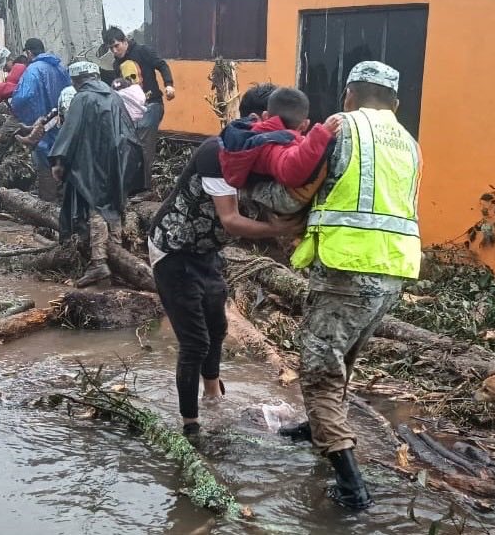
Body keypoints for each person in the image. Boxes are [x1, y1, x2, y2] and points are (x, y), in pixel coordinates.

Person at [280, 61, 422, 512]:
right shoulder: (411, 143)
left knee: (320, 370)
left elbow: (298, 181)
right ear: (395, 104)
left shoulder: (342, 128)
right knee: (345, 356)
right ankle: (316, 426)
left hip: (347, 265)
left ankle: (351, 485)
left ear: (348, 95)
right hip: (395, 270)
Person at [148, 85, 302, 437]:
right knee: (195, 342)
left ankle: (213, 395)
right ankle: (191, 427)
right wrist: (279, 228)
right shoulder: (217, 153)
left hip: (206, 250)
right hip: (173, 247)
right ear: (258, 120)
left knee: (217, 326)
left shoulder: (265, 157)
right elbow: (231, 220)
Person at [49, 61, 144, 287]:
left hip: (93, 162)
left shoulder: (82, 98)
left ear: (76, 80)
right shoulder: (114, 96)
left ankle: (99, 262)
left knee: (97, 206)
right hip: (118, 159)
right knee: (114, 204)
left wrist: (59, 161)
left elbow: (70, 131)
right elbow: (129, 131)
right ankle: (118, 259)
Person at [219, 87, 338, 189]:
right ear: (305, 125)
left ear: (266, 116)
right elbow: (292, 171)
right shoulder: (274, 144)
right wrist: (322, 134)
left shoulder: (250, 134)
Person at [103, 26, 175, 190]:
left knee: (143, 144)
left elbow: (162, 65)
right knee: (129, 145)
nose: (115, 51)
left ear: (124, 41)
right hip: (132, 111)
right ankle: (132, 184)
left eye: (117, 46)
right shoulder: (117, 65)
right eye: (111, 48)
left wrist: (169, 85)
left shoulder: (143, 51)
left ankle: (145, 187)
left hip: (152, 104)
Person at [10, 38, 70, 202]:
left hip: (41, 125)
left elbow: (22, 97)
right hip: (61, 123)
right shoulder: (60, 67)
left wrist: (20, 113)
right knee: (62, 160)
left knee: (45, 164)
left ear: (29, 53)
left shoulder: (32, 70)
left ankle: (48, 206)